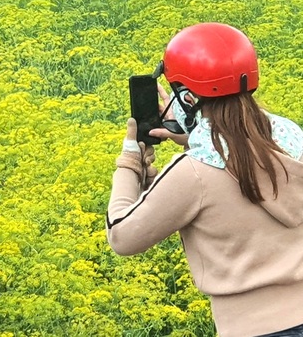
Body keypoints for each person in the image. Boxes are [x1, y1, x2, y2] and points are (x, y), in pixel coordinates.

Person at [106, 22, 303, 337]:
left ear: (187, 98)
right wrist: (194, 137)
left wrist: (130, 161)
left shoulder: (194, 173)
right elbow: (243, 153)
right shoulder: (291, 140)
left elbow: (123, 236)